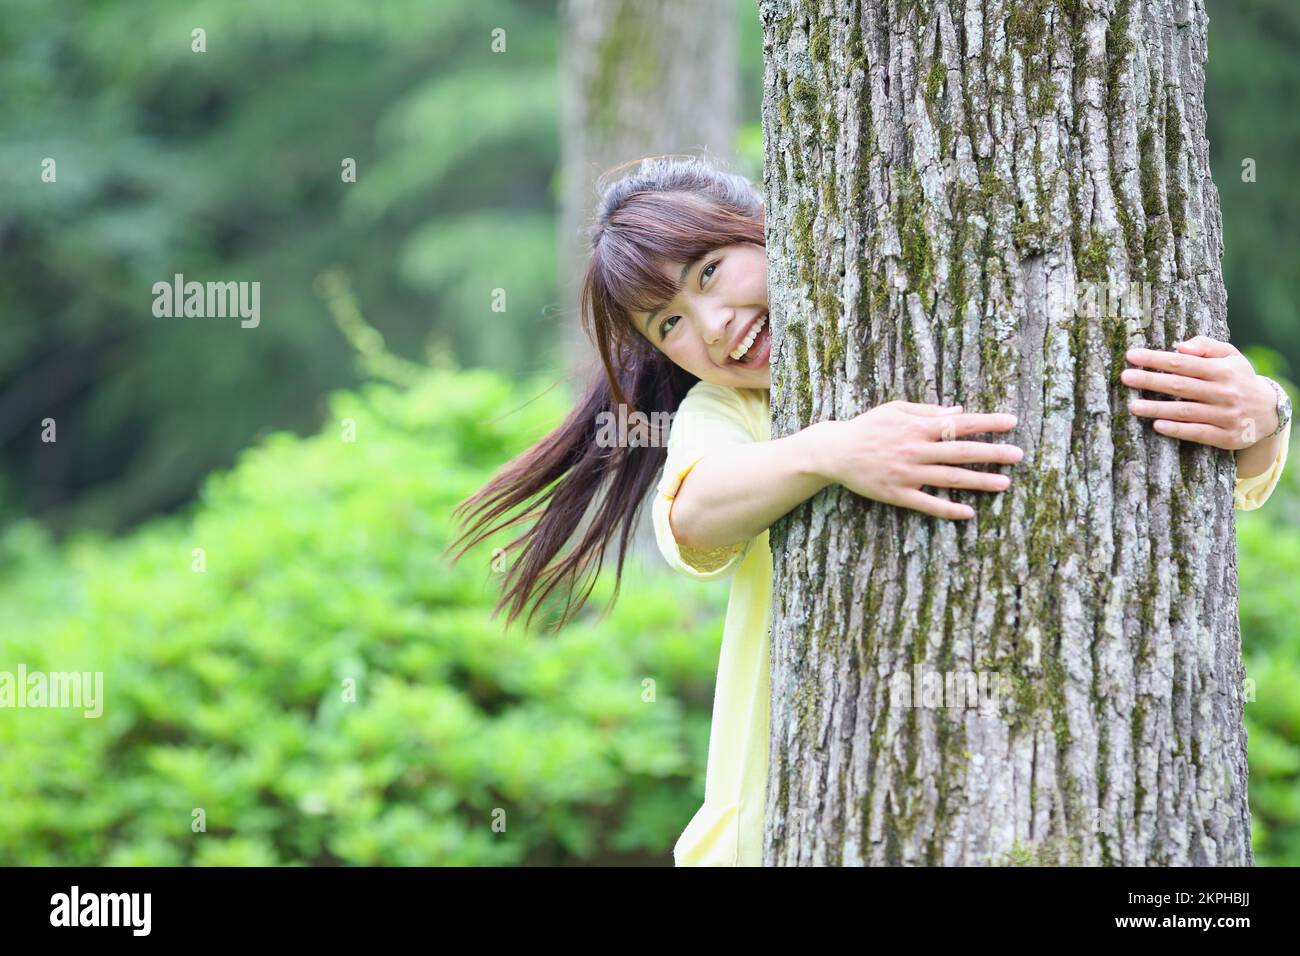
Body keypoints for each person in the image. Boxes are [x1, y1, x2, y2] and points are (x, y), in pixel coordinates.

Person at [448, 153, 1293, 867]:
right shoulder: (727, 411)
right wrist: (830, 451)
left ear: (772, 227)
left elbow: (1198, 478)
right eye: (669, 321)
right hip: (786, 829)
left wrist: (1260, 412)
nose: (711, 325)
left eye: (711, 273)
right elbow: (694, 514)